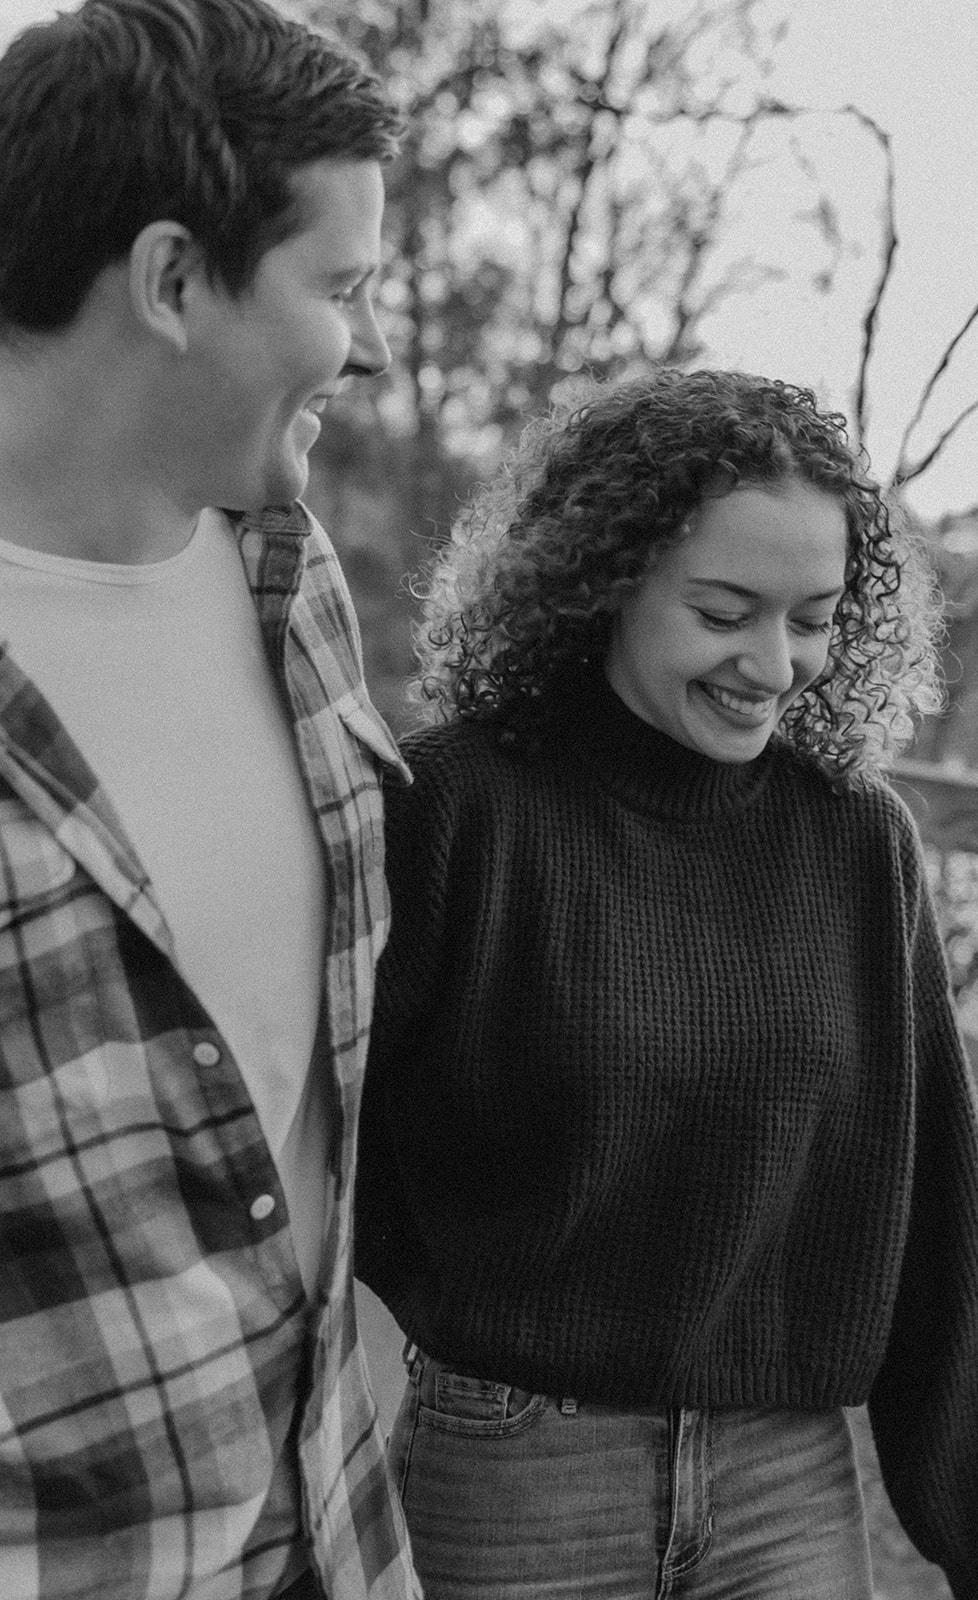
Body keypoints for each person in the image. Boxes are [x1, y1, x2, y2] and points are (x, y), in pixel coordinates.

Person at [354, 368, 978, 1600]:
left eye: (811, 617)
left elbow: (940, 1210)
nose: (773, 665)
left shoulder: (854, 842)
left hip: (781, 1477)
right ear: (604, 579)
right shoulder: (452, 811)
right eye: (725, 610)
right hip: (514, 1474)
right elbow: (323, 1155)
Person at [0, 2, 421, 1597]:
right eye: (340, 288)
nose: (370, 345)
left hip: (336, 1518)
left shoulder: (281, 571)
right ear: (174, 281)